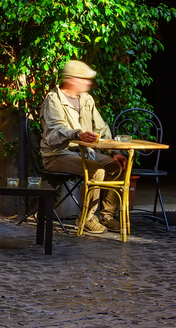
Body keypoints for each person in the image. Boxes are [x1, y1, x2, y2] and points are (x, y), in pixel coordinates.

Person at [40, 60, 128, 233]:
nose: (88, 83)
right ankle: (86, 218)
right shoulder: (53, 100)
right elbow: (55, 131)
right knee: (97, 171)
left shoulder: (86, 99)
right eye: (84, 79)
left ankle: (107, 215)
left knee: (118, 165)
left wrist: (114, 151)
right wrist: (77, 134)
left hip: (84, 153)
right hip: (56, 155)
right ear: (72, 79)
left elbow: (101, 128)